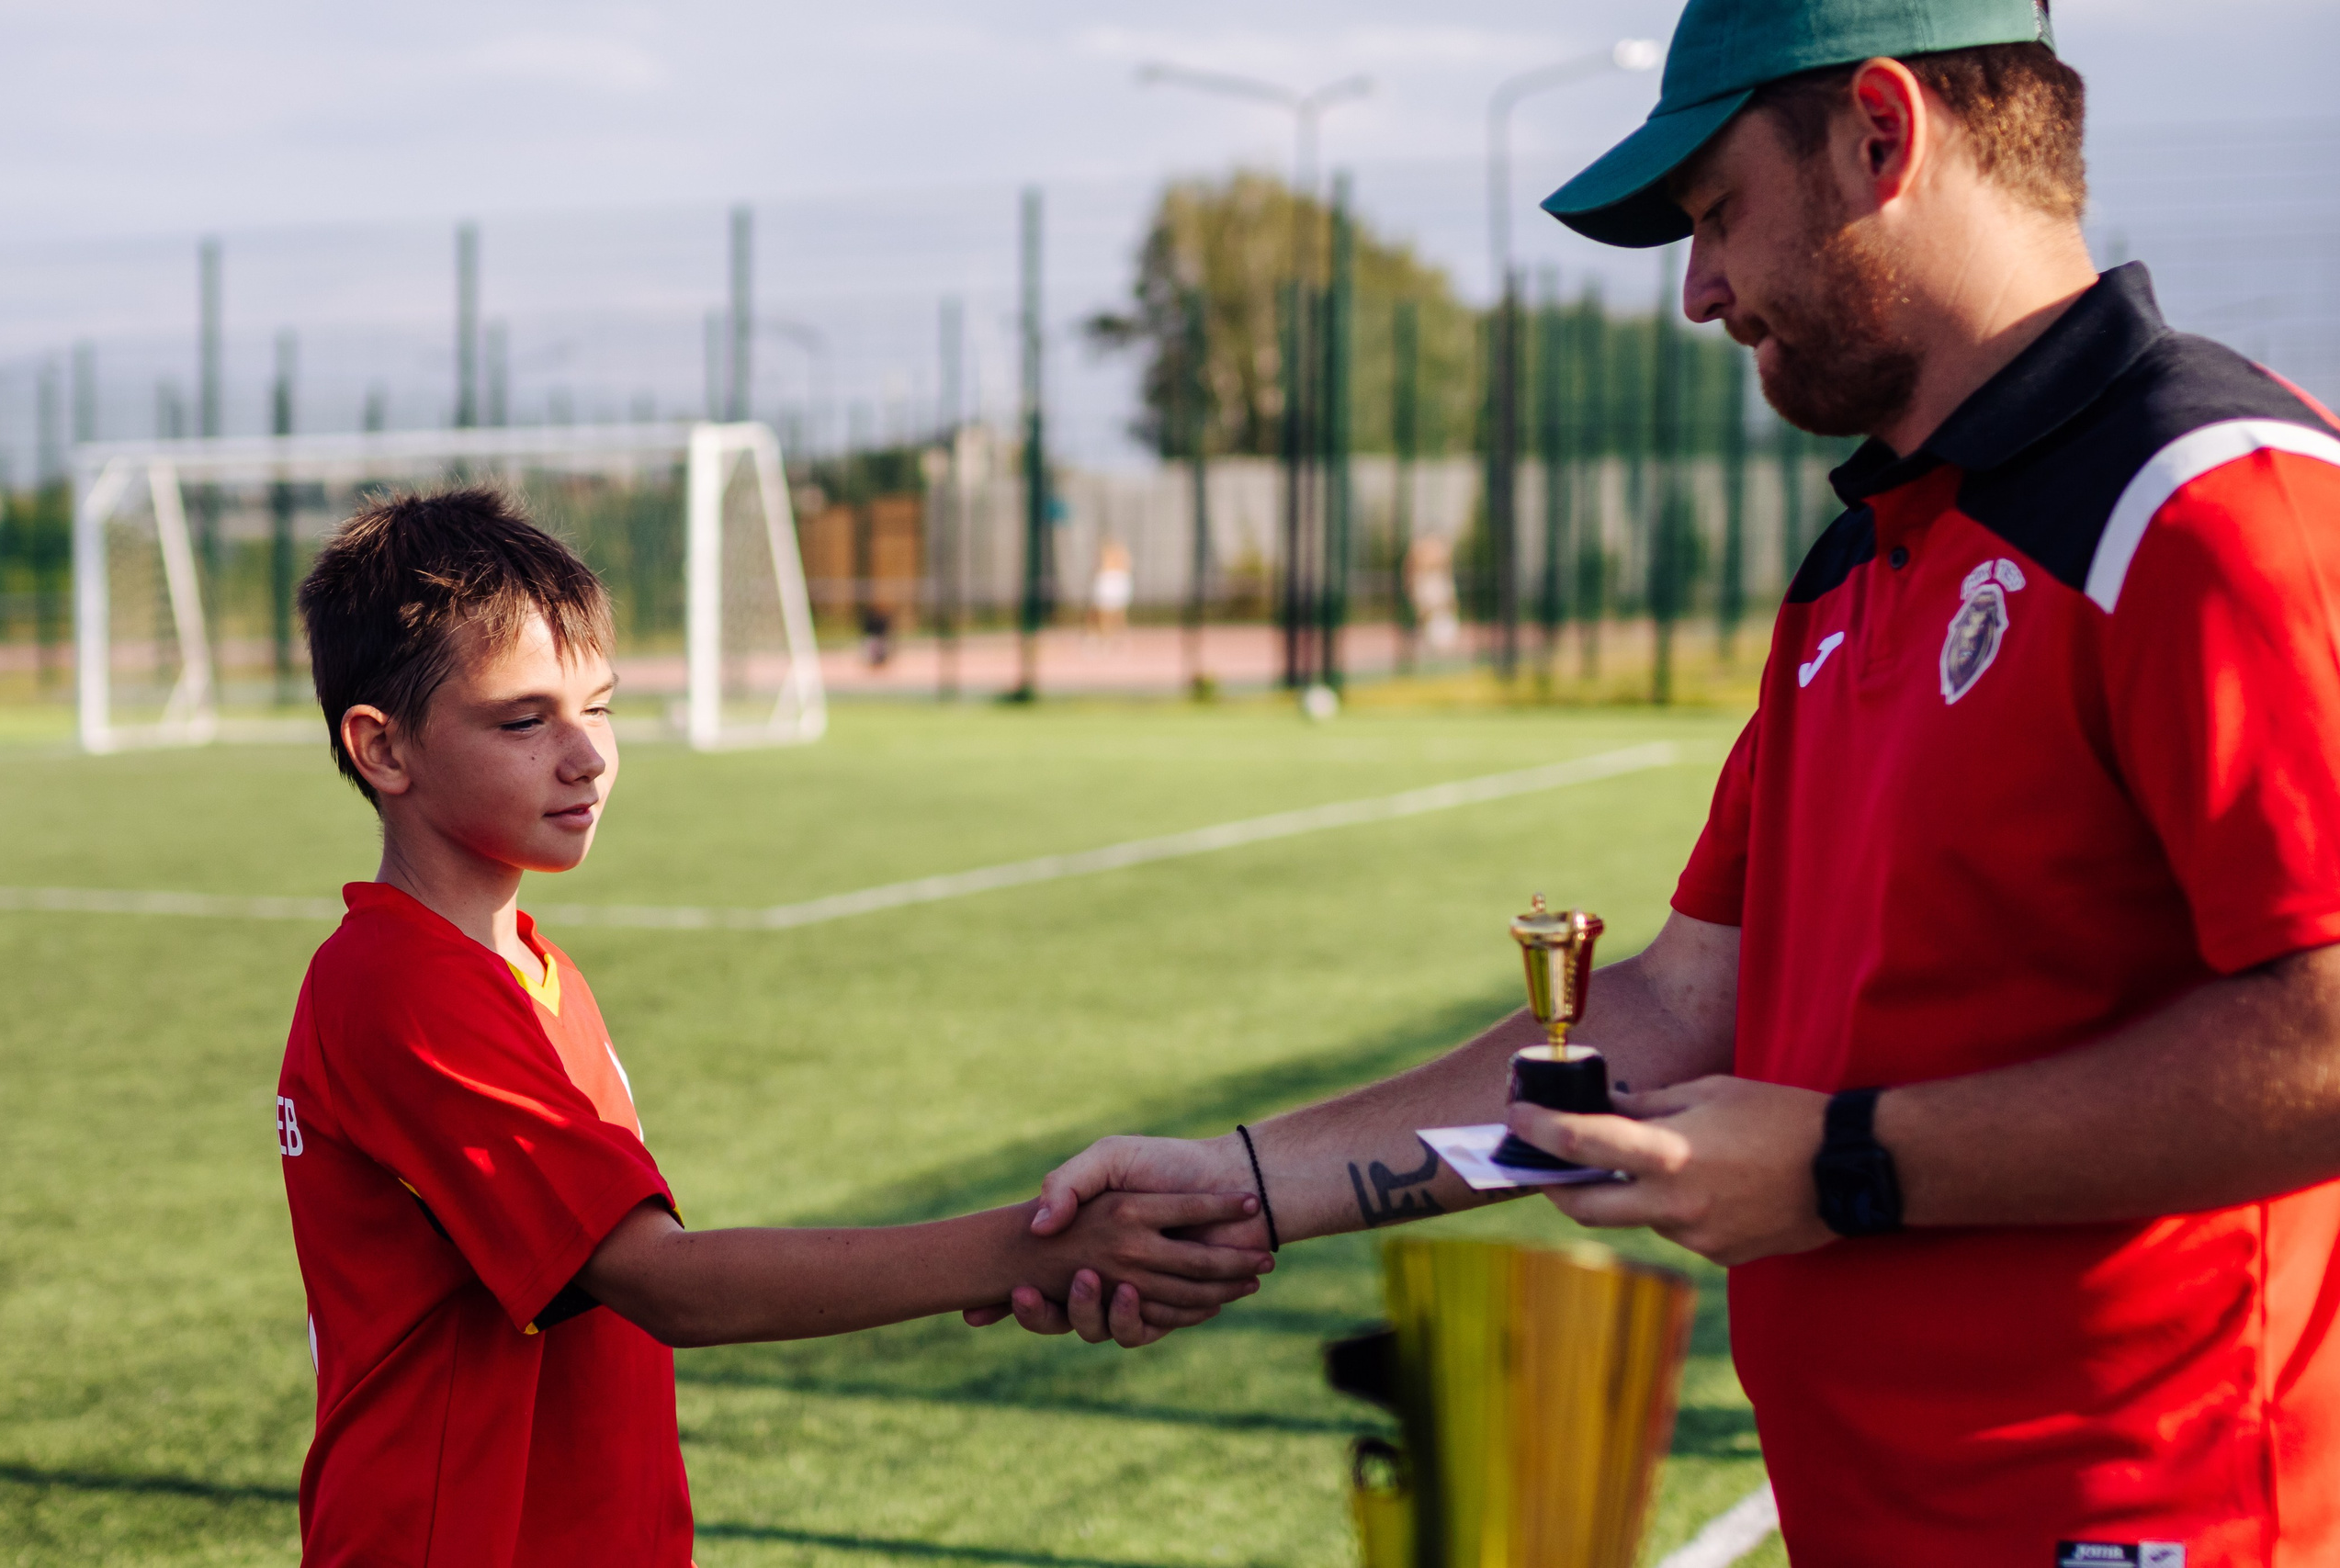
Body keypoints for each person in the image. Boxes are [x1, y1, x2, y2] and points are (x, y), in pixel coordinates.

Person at [978, 1, 2340, 1562]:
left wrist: (1842, 1163)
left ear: (1881, 136)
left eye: (1715, 216)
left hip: (2159, 1525)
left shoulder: (2217, 504)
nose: (1699, 293)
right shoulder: (1859, 566)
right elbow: (1680, 1007)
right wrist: (1242, 1179)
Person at [275, 489, 1269, 1566]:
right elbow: (666, 1284)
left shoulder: (532, 969)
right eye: (525, 721)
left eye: (599, 708)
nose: (588, 756)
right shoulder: (400, 986)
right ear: (381, 750)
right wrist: (1037, 1242)